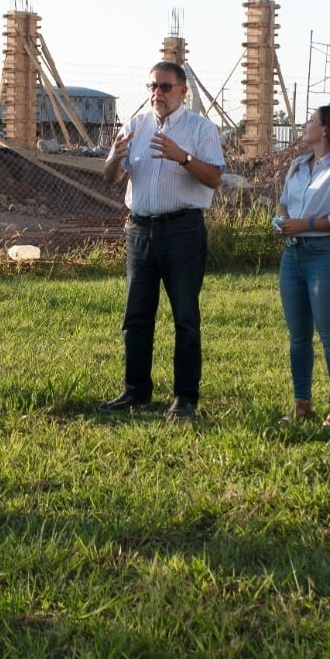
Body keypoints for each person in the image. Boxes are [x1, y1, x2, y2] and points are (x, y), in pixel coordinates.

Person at [99, 61, 225, 419]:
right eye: (153, 86)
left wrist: (181, 157)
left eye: (166, 87)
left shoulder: (200, 129)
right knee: (136, 317)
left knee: (185, 317)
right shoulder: (135, 126)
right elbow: (111, 178)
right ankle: (135, 391)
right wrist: (115, 157)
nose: (158, 93)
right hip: (139, 231)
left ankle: (185, 397)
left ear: (183, 91)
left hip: (182, 232)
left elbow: (214, 178)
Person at [274, 105, 330, 427]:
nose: (305, 124)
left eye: (311, 120)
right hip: (292, 255)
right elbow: (283, 199)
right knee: (298, 336)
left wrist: (304, 223)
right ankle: (302, 405)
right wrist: (284, 220)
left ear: (325, 131)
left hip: (325, 256)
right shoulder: (297, 165)